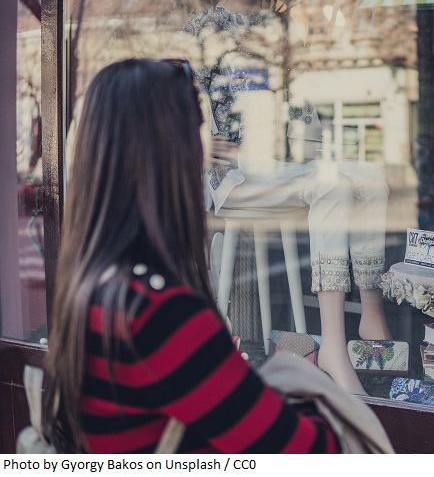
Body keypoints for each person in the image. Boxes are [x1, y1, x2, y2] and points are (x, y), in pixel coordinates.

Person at [44, 59, 343, 454]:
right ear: (172, 154)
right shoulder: (158, 313)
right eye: (198, 131)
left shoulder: (94, 286)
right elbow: (312, 452)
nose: (207, 151)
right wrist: (306, 383)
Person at [180, 0, 392, 394]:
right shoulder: (201, 28)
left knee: (372, 176)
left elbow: (301, 101)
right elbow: (177, 101)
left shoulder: (277, 28)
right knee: (331, 184)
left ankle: (372, 310)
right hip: (236, 177)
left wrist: (308, 119)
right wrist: (197, 143)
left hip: (284, 162)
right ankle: (333, 346)